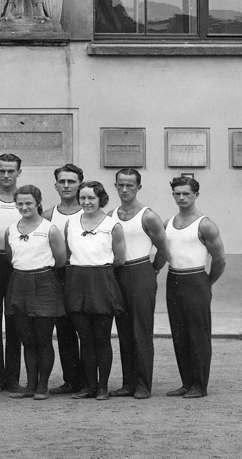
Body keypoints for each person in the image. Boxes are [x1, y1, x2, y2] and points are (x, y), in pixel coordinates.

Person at [107, 168, 169, 400]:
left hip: (141, 271)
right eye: (120, 185)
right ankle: (128, 383)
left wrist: (152, 270)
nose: (124, 190)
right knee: (123, 330)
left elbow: (164, 249)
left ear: (138, 187)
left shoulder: (148, 216)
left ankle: (143, 384)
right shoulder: (111, 214)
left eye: (130, 185)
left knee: (140, 330)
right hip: (117, 273)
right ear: (116, 186)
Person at [164, 176, 226, 399]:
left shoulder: (205, 224)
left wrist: (206, 283)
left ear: (196, 195)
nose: (181, 197)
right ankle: (186, 382)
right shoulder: (168, 223)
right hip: (174, 280)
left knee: (198, 334)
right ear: (173, 195)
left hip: (196, 280)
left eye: (186, 193)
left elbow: (219, 260)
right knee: (179, 334)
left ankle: (199, 385)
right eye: (177, 193)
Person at [64, 181, 125, 400]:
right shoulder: (71, 223)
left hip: (101, 281)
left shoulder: (112, 225)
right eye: (83, 198)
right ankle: (89, 386)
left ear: (101, 199)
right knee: (85, 339)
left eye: (91, 198)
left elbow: (119, 259)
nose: (86, 202)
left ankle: (102, 387)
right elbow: (67, 253)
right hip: (77, 281)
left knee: (102, 339)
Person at [5, 185, 66, 400]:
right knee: (27, 339)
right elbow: (11, 257)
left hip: (43, 283)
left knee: (43, 339)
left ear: (38, 203)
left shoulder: (50, 229)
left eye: (28, 203)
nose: (24, 207)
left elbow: (61, 260)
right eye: (20, 203)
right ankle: (30, 385)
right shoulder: (11, 229)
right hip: (19, 283)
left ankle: (42, 386)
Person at [42, 164, 87, 395]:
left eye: (71, 181)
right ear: (56, 185)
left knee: (86, 329)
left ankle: (90, 381)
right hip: (58, 275)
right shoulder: (48, 215)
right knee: (65, 329)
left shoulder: (89, 212)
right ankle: (71, 380)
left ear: (80, 184)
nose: (67, 185)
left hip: (84, 274)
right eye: (62, 181)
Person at [0, 153, 23, 394]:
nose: (6, 175)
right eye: (2, 170)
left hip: (17, 263)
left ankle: (13, 379)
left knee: (15, 321)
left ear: (19, 172)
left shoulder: (26, 198)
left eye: (11, 171)